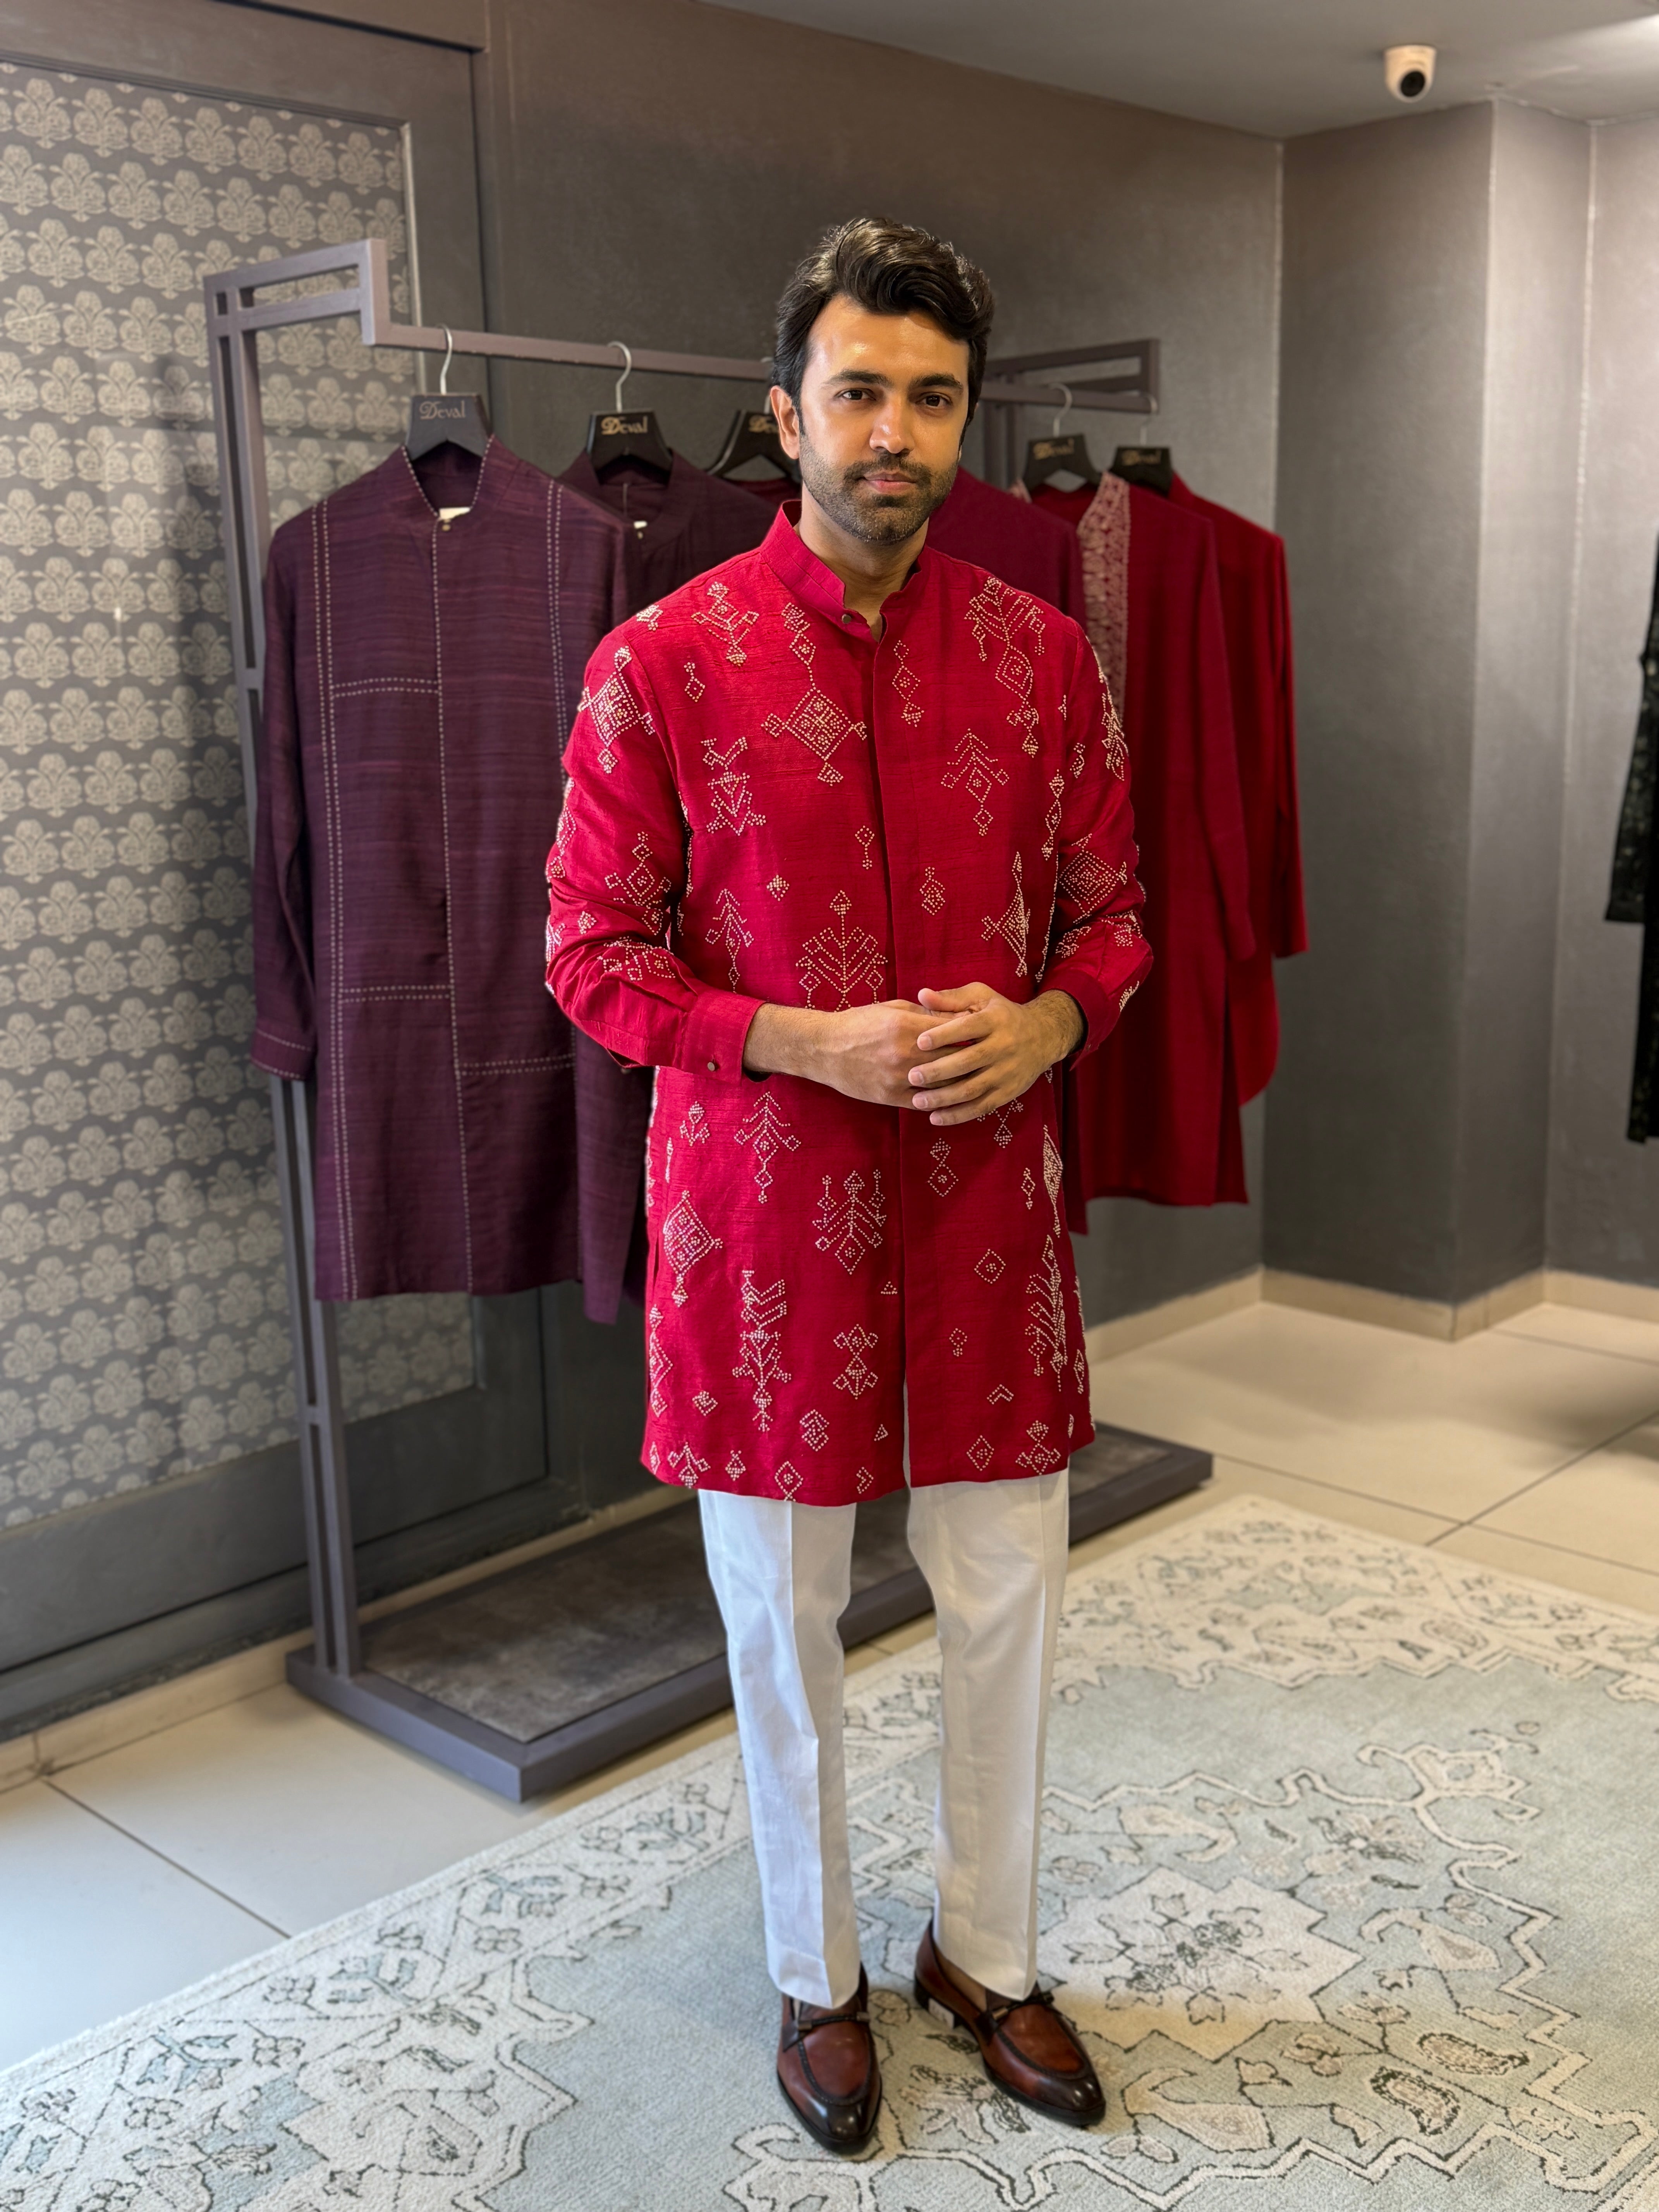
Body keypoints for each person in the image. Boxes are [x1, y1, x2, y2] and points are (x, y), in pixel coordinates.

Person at [546, 216, 1151, 2153]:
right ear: (788, 411)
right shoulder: (662, 667)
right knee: (782, 1616)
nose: (897, 432)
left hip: (986, 1220)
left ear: (968, 419)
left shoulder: (1044, 661)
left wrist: (1053, 1023)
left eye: (935, 397)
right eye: (862, 391)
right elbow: (589, 954)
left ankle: (988, 1952)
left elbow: (1116, 919)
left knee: (1009, 1597)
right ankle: (817, 1979)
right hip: (763, 1228)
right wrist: (796, 1040)